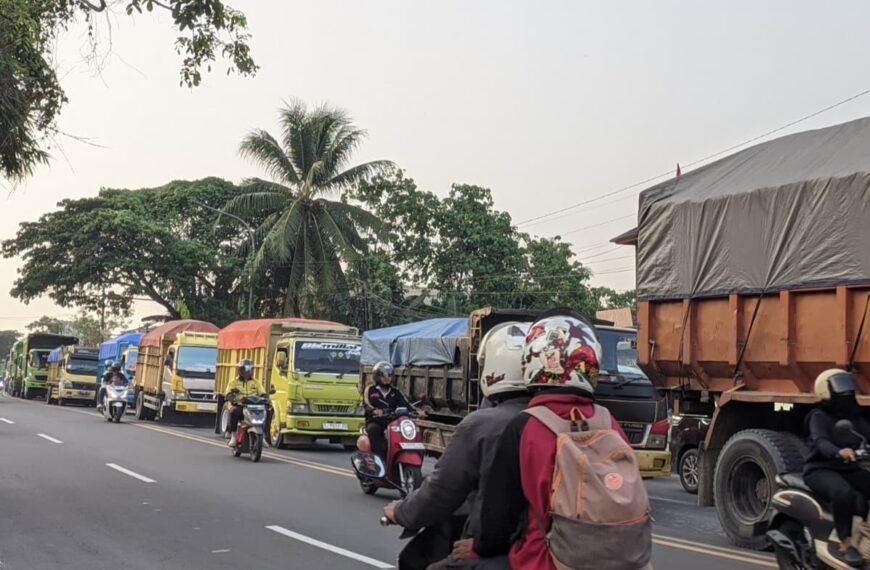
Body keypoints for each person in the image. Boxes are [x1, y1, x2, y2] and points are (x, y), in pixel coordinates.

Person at [472, 310, 631, 569]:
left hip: (545, 561)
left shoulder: (526, 427)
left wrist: (478, 548)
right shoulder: (609, 422)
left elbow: (495, 525)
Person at [382, 322, 532, 569]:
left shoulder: (484, 424)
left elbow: (442, 490)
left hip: (510, 547)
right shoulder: (585, 419)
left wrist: (402, 512)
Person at [804, 369, 870, 568]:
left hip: (850, 468)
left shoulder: (855, 416)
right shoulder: (819, 416)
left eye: (849, 391)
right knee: (843, 492)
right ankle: (845, 543)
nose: (847, 396)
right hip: (821, 468)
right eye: (842, 392)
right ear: (826, 391)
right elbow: (821, 441)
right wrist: (838, 451)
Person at [364, 361, 418, 460]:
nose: (386, 378)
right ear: (377, 377)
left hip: (391, 422)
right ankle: (378, 459)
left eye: (389, 375)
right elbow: (366, 403)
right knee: (373, 430)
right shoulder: (370, 389)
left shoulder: (395, 391)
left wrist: (417, 412)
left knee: (404, 432)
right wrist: (374, 411)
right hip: (376, 421)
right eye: (382, 376)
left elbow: (406, 404)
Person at [225, 359, 273, 448]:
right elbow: (228, 394)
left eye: (250, 369)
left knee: (268, 412)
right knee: (234, 412)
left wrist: (267, 400)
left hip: (254, 406)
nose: (248, 372)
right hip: (241, 406)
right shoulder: (234, 382)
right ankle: (233, 437)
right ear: (240, 370)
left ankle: (263, 437)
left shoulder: (256, 382)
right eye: (245, 369)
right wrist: (233, 399)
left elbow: (263, 393)